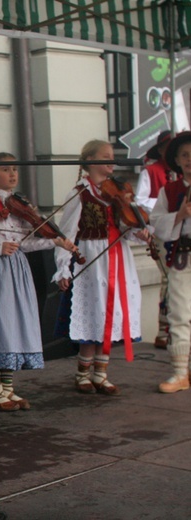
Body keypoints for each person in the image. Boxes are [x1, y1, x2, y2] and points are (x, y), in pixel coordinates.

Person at [0, 153, 77, 411]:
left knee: (12, 325)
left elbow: (26, 242)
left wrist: (54, 241)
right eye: (5, 169)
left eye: (15, 169)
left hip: (15, 268)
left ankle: (9, 390)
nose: (12, 174)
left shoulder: (19, 204)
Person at [53, 139, 148, 396]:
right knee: (94, 312)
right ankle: (83, 373)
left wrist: (140, 231)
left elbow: (125, 229)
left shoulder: (117, 192)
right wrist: (63, 267)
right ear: (91, 161)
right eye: (106, 157)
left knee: (111, 313)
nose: (111, 161)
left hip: (118, 258)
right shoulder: (79, 193)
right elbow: (67, 234)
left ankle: (101, 374)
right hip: (92, 257)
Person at [150, 131, 191, 393]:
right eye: (185, 155)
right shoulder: (170, 190)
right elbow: (156, 224)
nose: (190, 159)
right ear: (176, 159)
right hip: (182, 257)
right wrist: (179, 215)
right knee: (179, 313)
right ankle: (179, 374)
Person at [135, 130, 174, 349]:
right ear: (160, 150)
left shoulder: (181, 173)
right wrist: (164, 206)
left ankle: (170, 329)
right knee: (170, 278)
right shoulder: (150, 171)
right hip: (161, 232)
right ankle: (164, 329)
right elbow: (140, 202)